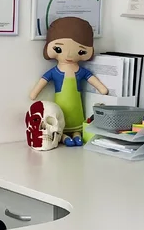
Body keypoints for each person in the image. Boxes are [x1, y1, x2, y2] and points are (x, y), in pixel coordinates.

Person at [28, 17, 108, 146]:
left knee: (76, 121)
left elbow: (93, 80)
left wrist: (102, 89)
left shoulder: (81, 71)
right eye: (59, 49)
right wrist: (34, 94)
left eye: (81, 51)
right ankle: (64, 135)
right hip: (59, 109)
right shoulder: (55, 72)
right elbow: (42, 82)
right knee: (59, 118)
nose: (69, 55)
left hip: (77, 109)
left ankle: (77, 134)